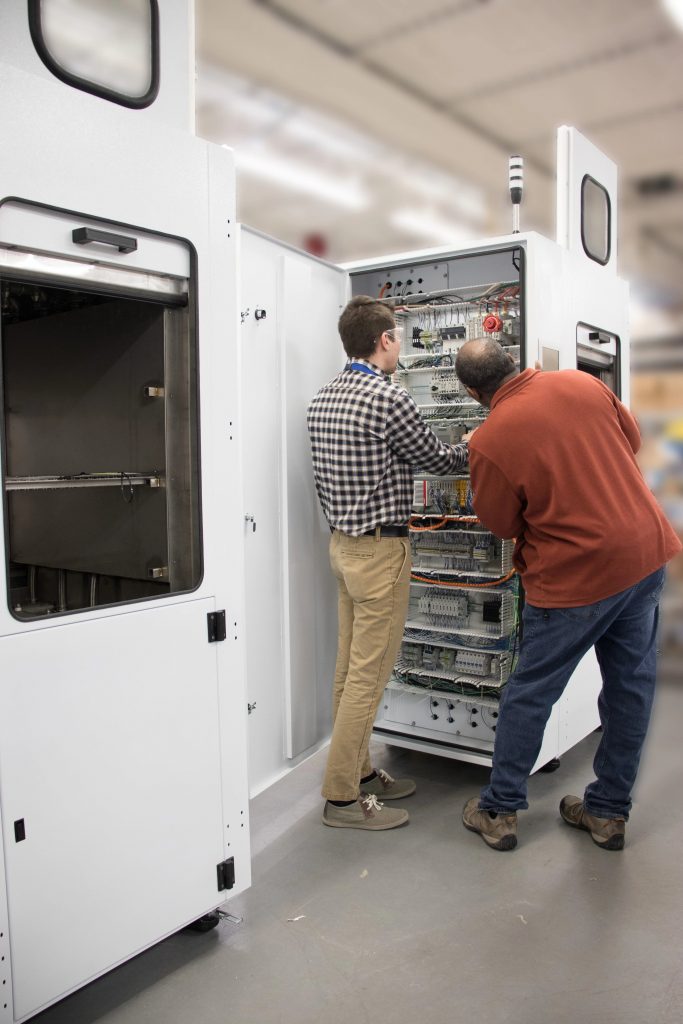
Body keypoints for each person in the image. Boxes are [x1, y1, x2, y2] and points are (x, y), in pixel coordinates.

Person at [454, 338, 681, 852]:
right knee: (630, 689)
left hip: (574, 581)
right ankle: (606, 813)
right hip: (643, 557)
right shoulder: (583, 383)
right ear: (513, 362)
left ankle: (500, 808)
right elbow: (633, 439)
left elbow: (501, 523)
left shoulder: (490, 440)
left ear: (472, 391)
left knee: (530, 692)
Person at [307, 296, 469, 831]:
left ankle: (359, 772)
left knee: (349, 669)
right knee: (368, 678)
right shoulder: (388, 397)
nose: (400, 344)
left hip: (343, 547)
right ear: (384, 341)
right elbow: (439, 462)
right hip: (380, 553)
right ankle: (342, 800)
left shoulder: (323, 398)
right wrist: (475, 441)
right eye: (398, 335)